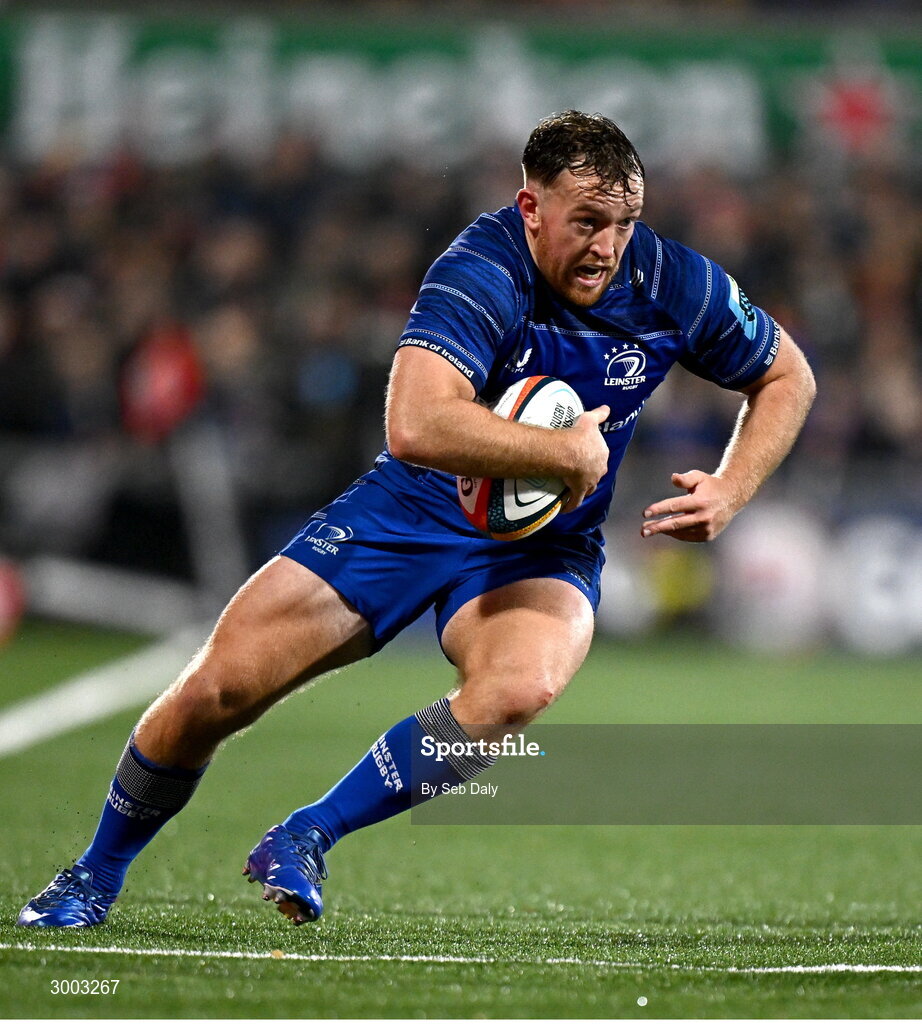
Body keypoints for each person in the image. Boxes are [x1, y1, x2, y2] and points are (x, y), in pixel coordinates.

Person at [18, 110, 815, 928]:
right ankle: (93, 874)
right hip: (415, 506)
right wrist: (564, 457)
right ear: (531, 207)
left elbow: (788, 376)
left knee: (518, 689)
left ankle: (308, 834)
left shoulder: (675, 283)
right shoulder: (479, 268)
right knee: (217, 692)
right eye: (586, 222)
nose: (608, 247)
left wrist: (731, 487)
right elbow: (416, 424)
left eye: (623, 224)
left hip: (546, 542)